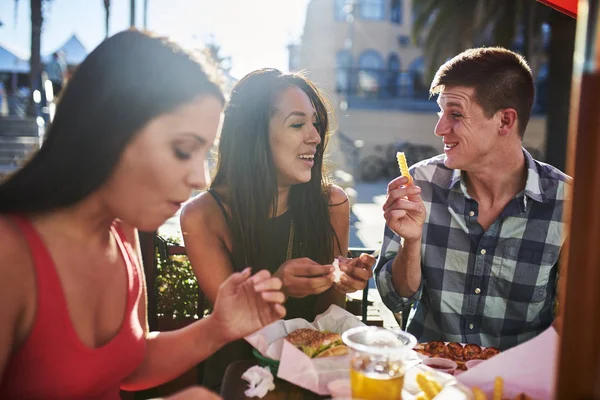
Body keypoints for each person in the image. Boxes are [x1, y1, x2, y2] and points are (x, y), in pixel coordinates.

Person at [0, 30, 286, 400]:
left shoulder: (123, 231)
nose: (199, 178)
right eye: (184, 149)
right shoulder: (10, 252)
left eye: (204, 154)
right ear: (108, 129)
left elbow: (127, 366)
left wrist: (218, 327)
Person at [180, 68, 375, 388]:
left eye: (316, 123)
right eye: (297, 124)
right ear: (253, 134)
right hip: (238, 378)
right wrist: (277, 286)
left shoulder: (332, 203)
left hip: (315, 376)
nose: (314, 136)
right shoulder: (203, 215)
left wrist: (340, 281)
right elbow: (231, 324)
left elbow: (328, 320)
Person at [375, 47, 570, 350]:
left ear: (505, 121)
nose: (439, 128)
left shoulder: (568, 205)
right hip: (429, 380)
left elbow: (574, 322)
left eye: (455, 114)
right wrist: (410, 243)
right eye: (441, 112)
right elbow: (394, 299)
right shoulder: (420, 185)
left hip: (516, 385)